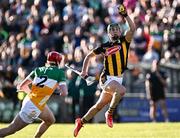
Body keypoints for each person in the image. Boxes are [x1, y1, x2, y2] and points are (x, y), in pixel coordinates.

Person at [73, 4, 135, 137]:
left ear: (120, 31)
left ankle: (81, 121)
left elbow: (133, 28)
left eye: (117, 29)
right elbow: (89, 56)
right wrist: (84, 71)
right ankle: (110, 113)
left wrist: (125, 15)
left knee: (98, 106)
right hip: (106, 78)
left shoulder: (125, 41)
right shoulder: (104, 46)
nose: (115, 31)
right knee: (122, 90)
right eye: (112, 30)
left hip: (118, 78)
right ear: (108, 33)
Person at [0, 51, 68, 137]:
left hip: (30, 100)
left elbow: (22, 86)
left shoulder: (38, 70)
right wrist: (58, 92)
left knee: (50, 120)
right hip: (33, 106)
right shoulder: (59, 73)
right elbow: (64, 93)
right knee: (11, 129)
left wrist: (36, 95)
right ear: (58, 62)